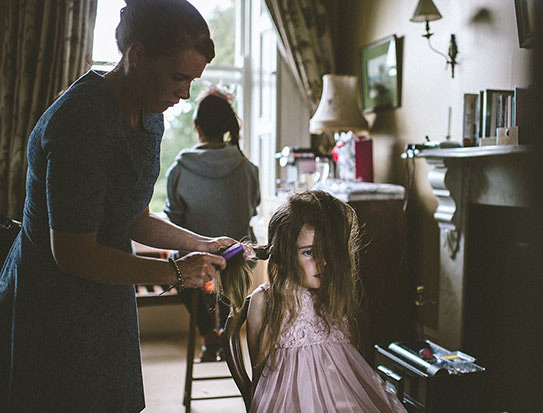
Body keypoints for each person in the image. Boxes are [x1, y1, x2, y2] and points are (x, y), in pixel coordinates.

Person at [0, 1, 242, 411]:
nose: (185, 94)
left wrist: (200, 243)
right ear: (137, 55)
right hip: (55, 301)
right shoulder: (82, 121)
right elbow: (73, 253)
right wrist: (174, 272)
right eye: (179, 77)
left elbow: (133, 216)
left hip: (108, 293)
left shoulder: (149, 112)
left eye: (192, 81)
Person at [244, 190, 407, 412]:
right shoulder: (266, 300)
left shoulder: (334, 294)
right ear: (283, 254)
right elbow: (259, 374)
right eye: (309, 252)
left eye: (328, 251)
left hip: (344, 397)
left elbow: (348, 362)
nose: (322, 262)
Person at [164, 89, 260, 361]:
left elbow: (174, 219)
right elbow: (252, 208)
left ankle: (208, 333)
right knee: (228, 266)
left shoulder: (180, 168)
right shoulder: (248, 167)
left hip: (198, 257)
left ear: (197, 127)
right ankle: (225, 332)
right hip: (239, 258)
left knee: (177, 261)